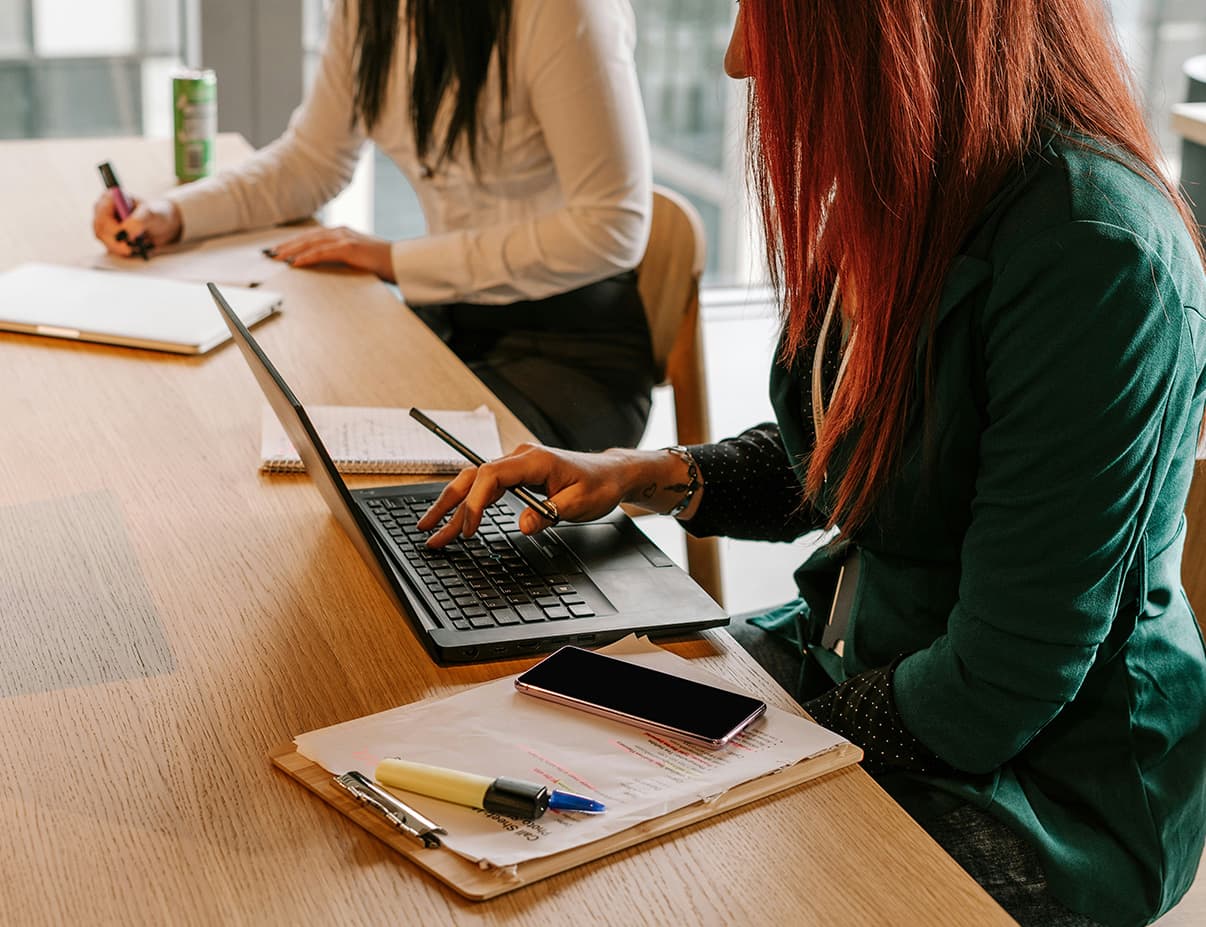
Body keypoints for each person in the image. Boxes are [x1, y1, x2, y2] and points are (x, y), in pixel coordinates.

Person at [415, 1, 1206, 925]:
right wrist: (643, 473)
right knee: (541, 713)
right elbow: (857, 460)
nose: (738, 59)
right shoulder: (919, 178)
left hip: (1040, 785)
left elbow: (1000, 684)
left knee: (646, 876)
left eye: (764, 15)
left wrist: (746, 752)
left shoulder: (1096, 255)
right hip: (859, 666)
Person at [92, 0, 655, 453]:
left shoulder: (565, 11)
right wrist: (175, 214)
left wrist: (394, 260)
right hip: (448, 322)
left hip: (572, 350)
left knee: (401, 504)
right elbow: (311, 161)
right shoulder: (366, 11)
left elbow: (612, 226)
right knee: (286, 441)